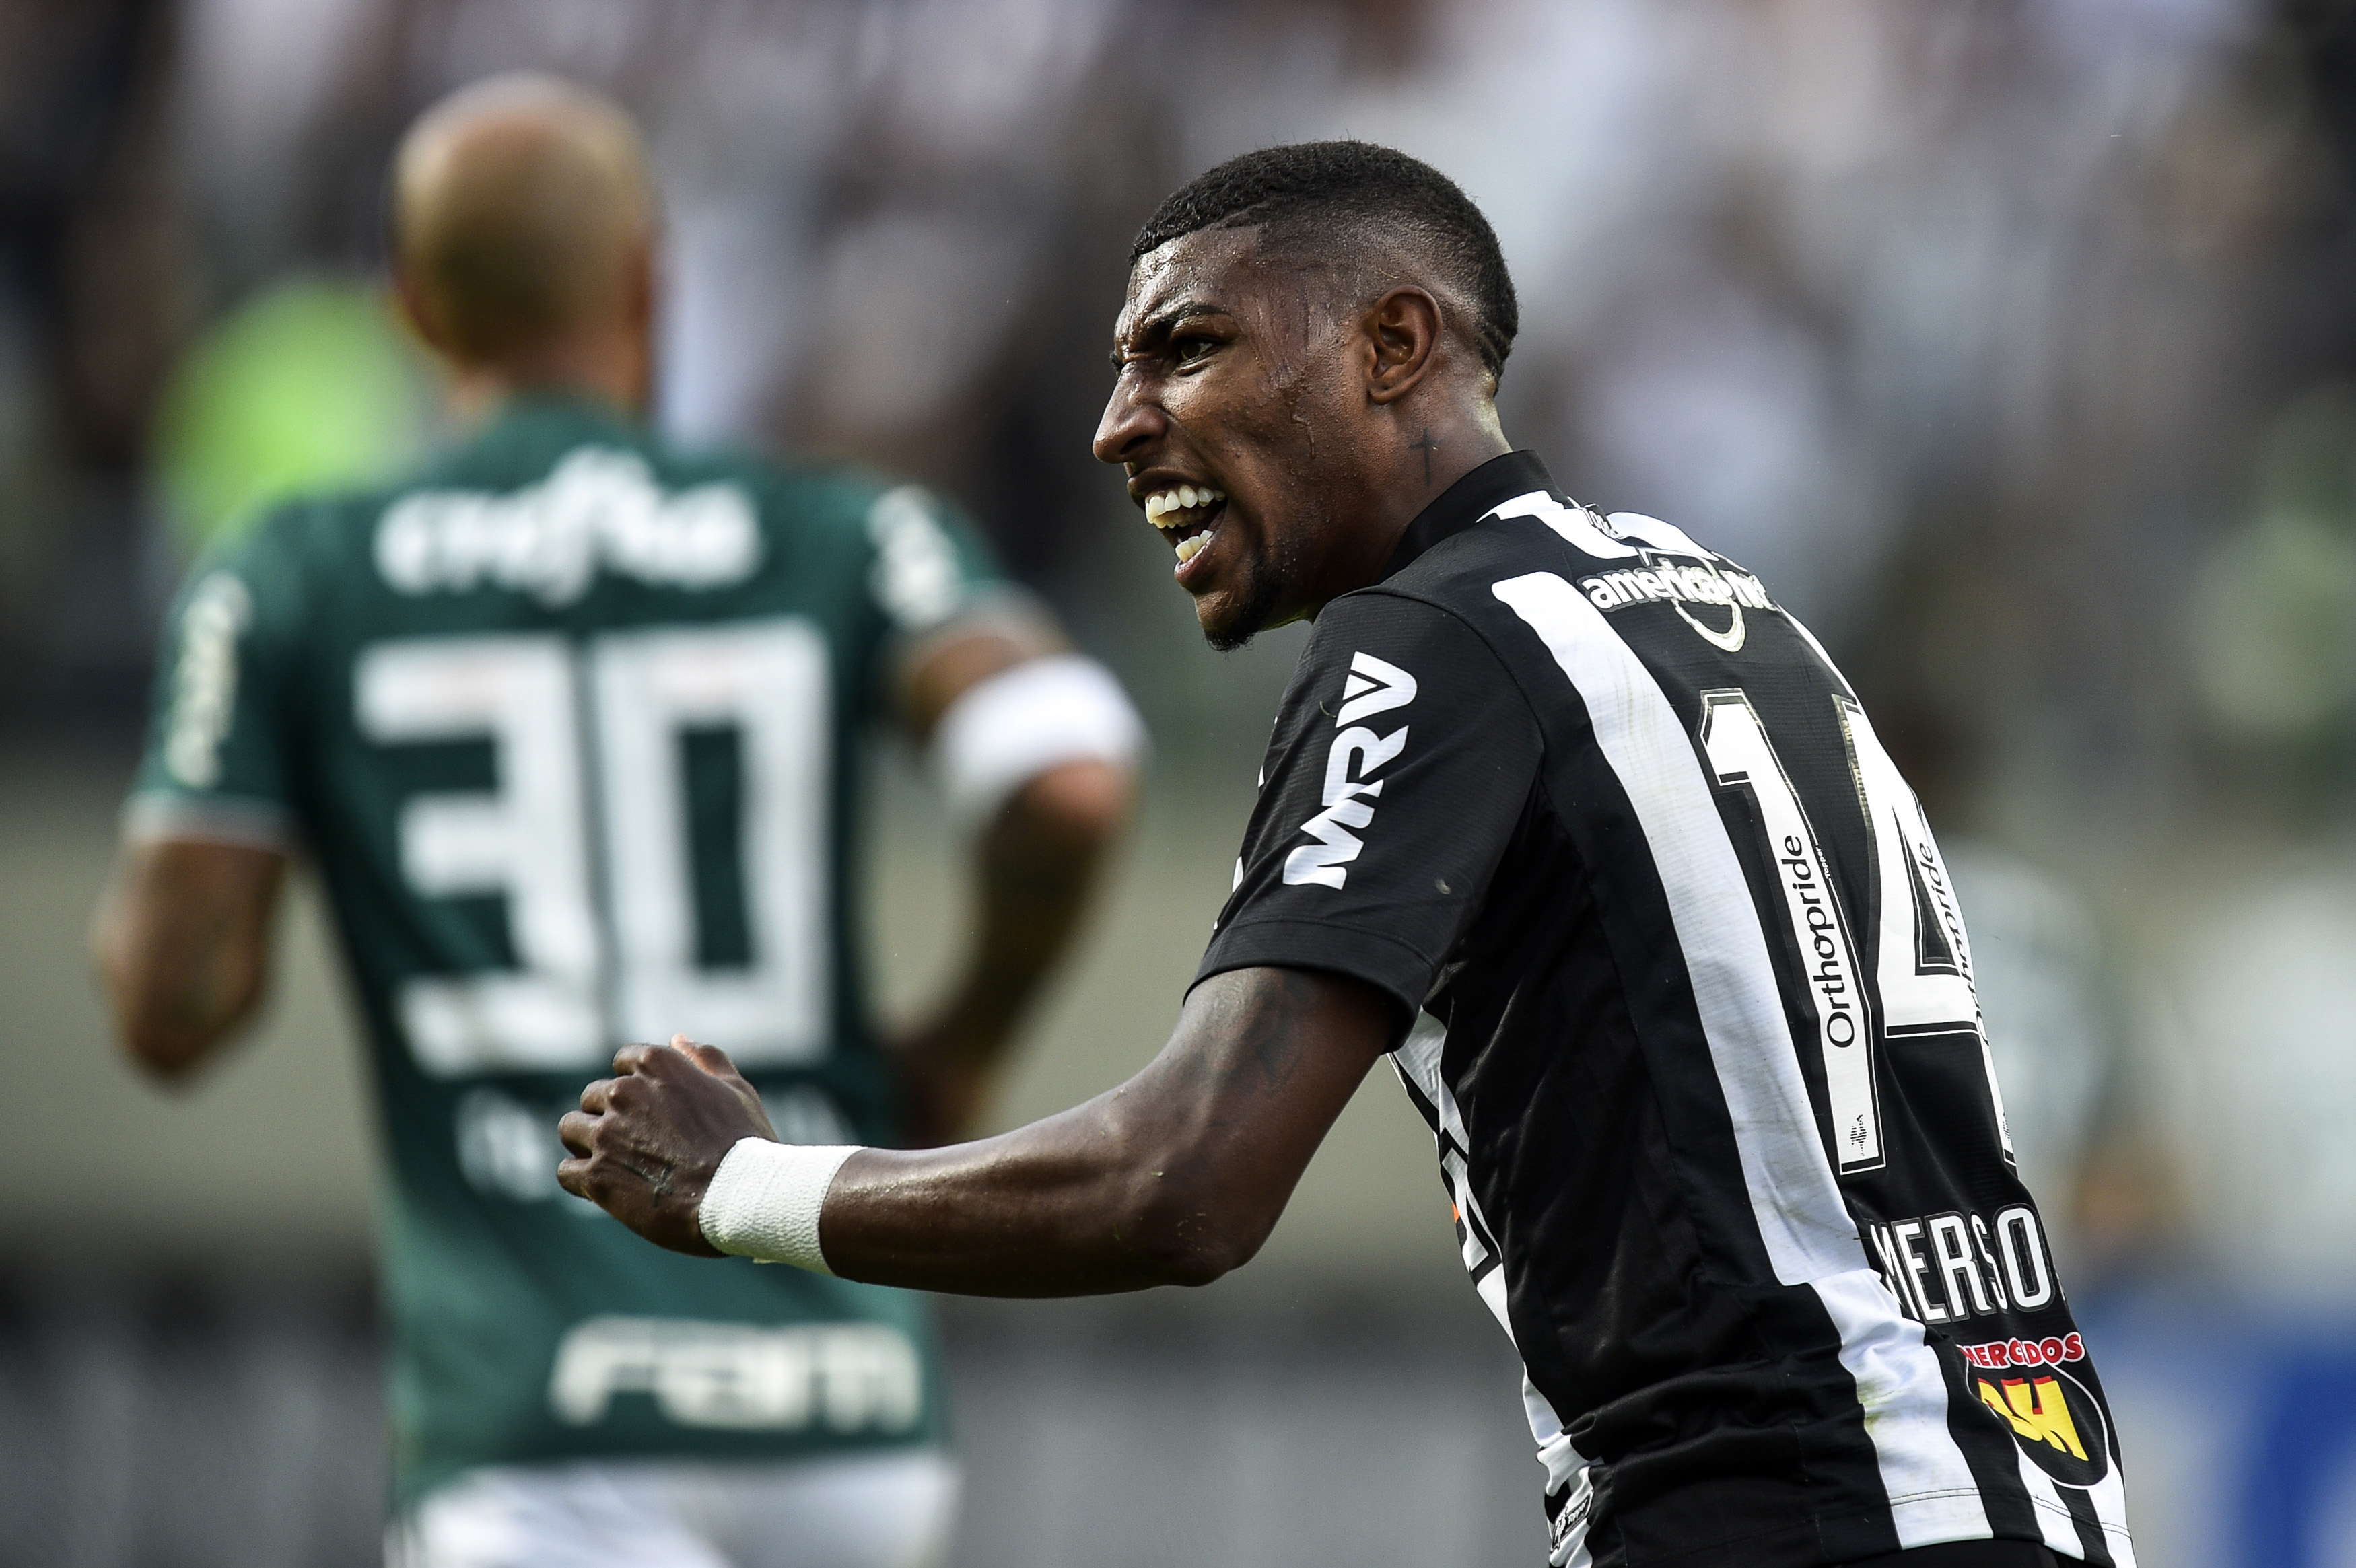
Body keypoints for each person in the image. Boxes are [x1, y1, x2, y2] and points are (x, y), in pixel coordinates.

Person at [556, 143, 2135, 1568]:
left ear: (1393, 347)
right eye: (1118, 371)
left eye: (1186, 347)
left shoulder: (1431, 637)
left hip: (1787, 1515)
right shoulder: (1725, 603)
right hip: (2034, 1496)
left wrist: (742, 1190)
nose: (1117, 426)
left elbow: (1189, 1180)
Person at [91, 75, 1140, 1568]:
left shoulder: (295, 569)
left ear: (414, 307)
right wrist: (967, 1034)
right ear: (650, 277)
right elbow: (1068, 777)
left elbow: (172, 1006)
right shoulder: (834, 526)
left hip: (537, 1413)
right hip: (842, 1405)